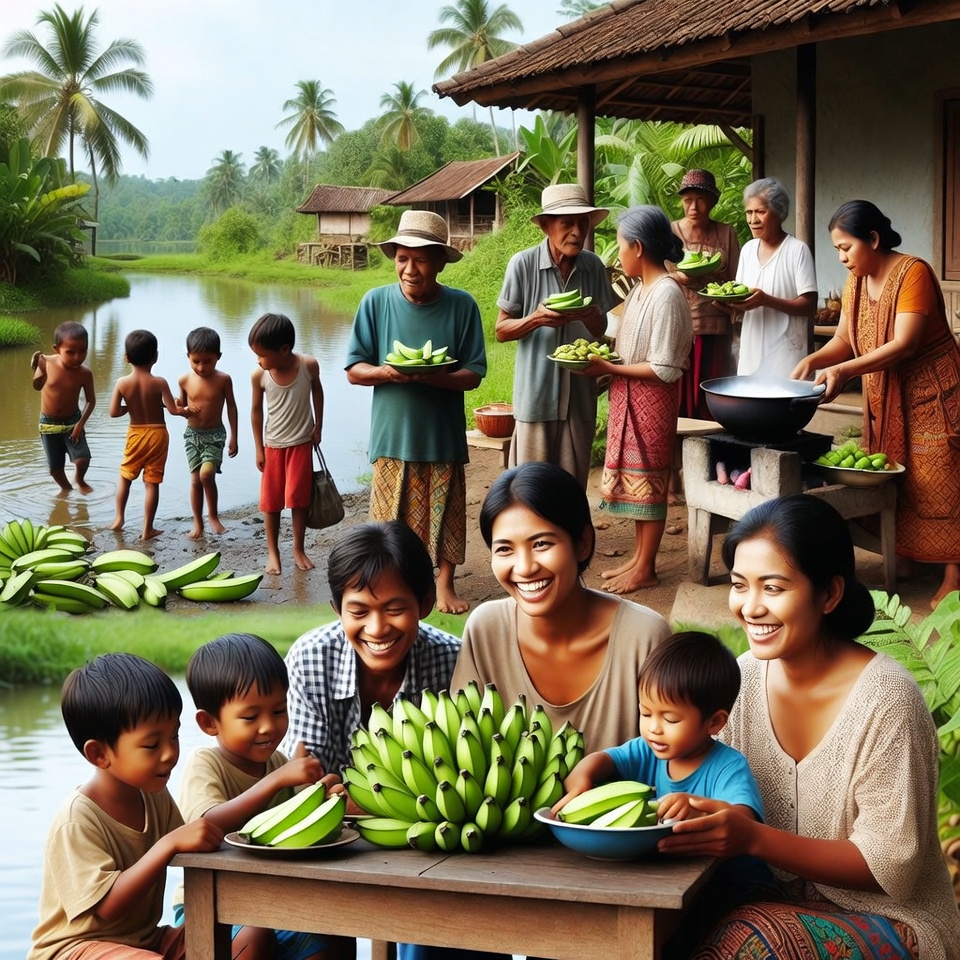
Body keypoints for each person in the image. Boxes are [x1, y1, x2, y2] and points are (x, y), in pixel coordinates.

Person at [657, 495, 960, 959]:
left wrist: (754, 838)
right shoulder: (740, 681)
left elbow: (890, 866)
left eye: (773, 588)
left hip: (891, 918)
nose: (750, 607)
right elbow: (705, 775)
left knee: (752, 945)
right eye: (739, 585)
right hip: (760, 898)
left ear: (830, 594)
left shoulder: (886, 700)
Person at [793, 200, 960, 610]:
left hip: (932, 394)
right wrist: (814, 359)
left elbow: (905, 344)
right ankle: (906, 556)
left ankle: (954, 573)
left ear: (873, 238)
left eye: (846, 247)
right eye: (837, 250)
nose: (841, 257)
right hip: (888, 395)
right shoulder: (856, 281)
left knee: (940, 479)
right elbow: (844, 340)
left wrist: (844, 371)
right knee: (898, 474)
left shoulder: (913, 272)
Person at [451, 461, 671, 754]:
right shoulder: (485, 629)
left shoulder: (644, 638)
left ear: (582, 543)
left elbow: (677, 759)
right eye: (504, 549)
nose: (524, 568)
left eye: (541, 544)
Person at [29, 653, 223, 960]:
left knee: (233, 936)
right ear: (99, 754)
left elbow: (190, 850)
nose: (170, 753)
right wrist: (169, 843)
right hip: (76, 948)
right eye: (151, 745)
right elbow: (108, 906)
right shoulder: (77, 820)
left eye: (174, 735)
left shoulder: (154, 795)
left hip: (144, 941)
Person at [345, 210, 486, 614]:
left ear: (440, 262)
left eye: (421, 259)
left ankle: (444, 585)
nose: (409, 269)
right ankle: (392, 582)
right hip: (393, 435)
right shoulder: (375, 302)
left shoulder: (462, 306)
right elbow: (354, 369)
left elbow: (474, 373)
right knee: (388, 519)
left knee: (446, 513)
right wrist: (388, 373)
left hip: (442, 435)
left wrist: (434, 377)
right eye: (402, 258)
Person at [176, 633, 342, 960]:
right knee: (256, 937)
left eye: (279, 710)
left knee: (326, 938)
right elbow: (206, 824)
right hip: (209, 903)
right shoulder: (205, 764)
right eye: (250, 717)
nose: (268, 727)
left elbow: (300, 824)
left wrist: (326, 798)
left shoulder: (278, 763)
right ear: (209, 723)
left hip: (276, 899)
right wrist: (276, 780)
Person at [282, 520, 461, 778]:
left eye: (394, 609)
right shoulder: (309, 661)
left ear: (426, 603)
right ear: (338, 610)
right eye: (358, 612)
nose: (376, 629)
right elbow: (303, 774)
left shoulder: (454, 661)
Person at [579, 206, 692, 594]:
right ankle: (640, 557)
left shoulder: (666, 294)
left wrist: (609, 368)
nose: (619, 253)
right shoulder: (640, 290)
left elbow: (664, 367)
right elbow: (628, 350)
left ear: (638, 247)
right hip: (629, 397)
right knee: (639, 484)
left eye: (621, 245)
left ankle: (646, 567)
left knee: (651, 483)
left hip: (653, 402)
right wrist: (603, 360)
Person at [495, 183, 616, 488]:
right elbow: (501, 330)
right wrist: (535, 319)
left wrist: (590, 314)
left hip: (580, 397)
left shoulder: (593, 266)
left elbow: (600, 328)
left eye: (583, 223)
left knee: (571, 487)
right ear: (546, 226)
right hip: (536, 396)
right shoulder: (523, 264)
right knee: (530, 487)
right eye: (567, 224)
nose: (577, 232)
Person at [249, 312, 324, 575]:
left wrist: (318, 426)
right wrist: (258, 448)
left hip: (301, 443)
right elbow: (256, 411)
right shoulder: (259, 376)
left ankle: (298, 548)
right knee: (271, 503)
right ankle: (273, 552)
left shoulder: (308, 365)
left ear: (283, 349)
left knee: (299, 499)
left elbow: (317, 391)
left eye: (262, 355)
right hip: (273, 446)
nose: (258, 360)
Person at [726, 177, 817, 377]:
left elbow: (809, 306)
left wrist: (766, 300)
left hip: (785, 354)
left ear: (779, 212)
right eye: (749, 212)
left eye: (760, 211)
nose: (753, 220)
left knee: (782, 396)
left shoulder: (797, 250)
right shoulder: (748, 250)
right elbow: (741, 299)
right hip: (750, 354)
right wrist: (729, 305)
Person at [669, 169, 741, 419]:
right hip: (679, 325)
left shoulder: (726, 233)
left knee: (714, 390)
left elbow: (735, 280)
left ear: (712, 202)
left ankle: (714, 435)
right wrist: (679, 277)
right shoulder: (671, 232)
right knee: (679, 394)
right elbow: (658, 275)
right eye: (688, 200)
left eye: (701, 200)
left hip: (716, 327)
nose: (694, 207)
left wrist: (729, 302)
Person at [109, 329, 191, 540]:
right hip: (158, 435)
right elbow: (173, 410)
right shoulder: (159, 382)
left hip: (135, 434)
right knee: (151, 482)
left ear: (126, 357)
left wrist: (129, 407)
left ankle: (119, 519)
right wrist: (186, 410)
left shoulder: (122, 383)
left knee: (125, 477)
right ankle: (147, 529)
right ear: (155, 356)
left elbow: (113, 412)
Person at [177, 326, 238, 540]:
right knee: (195, 480)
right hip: (192, 435)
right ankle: (198, 522)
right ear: (188, 356)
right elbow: (180, 408)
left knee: (206, 475)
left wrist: (234, 436)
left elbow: (231, 406)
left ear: (218, 357)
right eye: (196, 361)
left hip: (215, 435)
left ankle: (213, 516)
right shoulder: (184, 381)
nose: (202, 367)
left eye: (208, 361)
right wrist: (183, 410)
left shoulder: (223, 379)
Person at [31, 320, 96, 494]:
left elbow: (91, 401)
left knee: (82, 459)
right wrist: (38, 371)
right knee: (55, 469)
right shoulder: (46, 362)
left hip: (73, 421)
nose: (77, 357)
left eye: (83, 351)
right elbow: (37, 386)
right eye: (70, 352)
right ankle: (66, 490)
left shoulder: (85, 373)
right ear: (56, 349)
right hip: (48, 424)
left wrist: (80, 424)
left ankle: (79, 479)